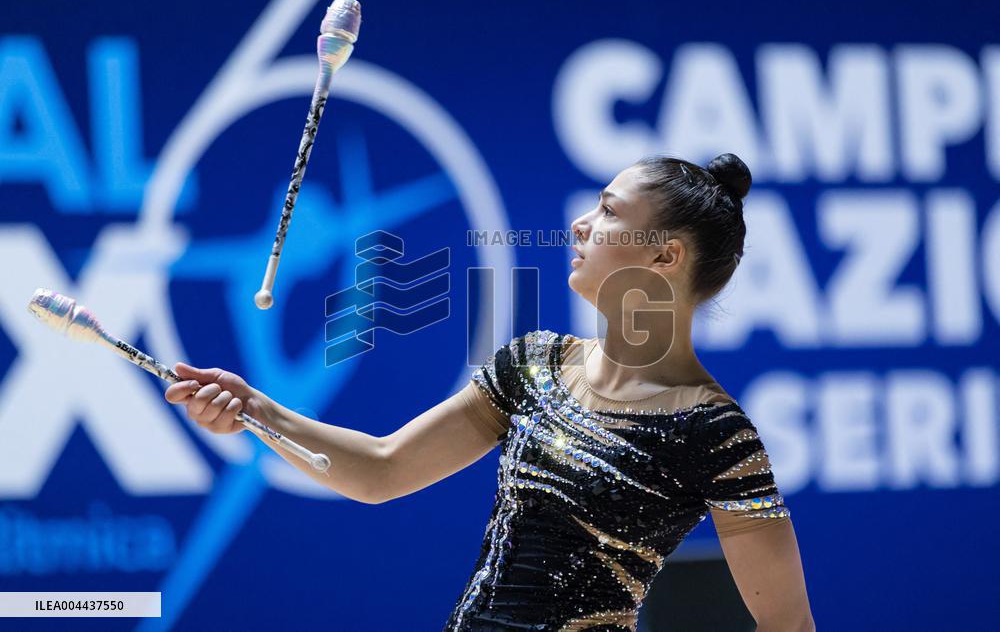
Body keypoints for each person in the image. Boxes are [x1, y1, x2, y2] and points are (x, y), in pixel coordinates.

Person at [164, 152, 814, 631]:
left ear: (666, 258)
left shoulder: (714, 433)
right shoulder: (531, 365)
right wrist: (256, 410)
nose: (582, 224)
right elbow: (382, 471)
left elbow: (787, 624)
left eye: (610, 212)